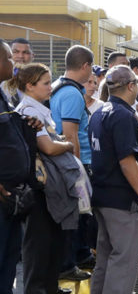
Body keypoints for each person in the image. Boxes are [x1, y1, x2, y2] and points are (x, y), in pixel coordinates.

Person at [9, 63, 75, 294]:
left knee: (52, 241)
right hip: (38, 188)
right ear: (30, 86)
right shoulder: (29, 110)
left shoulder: (38, 108)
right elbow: (47, 147)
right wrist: (68, 144)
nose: (50, 87)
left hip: (47, 187)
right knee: (39, 244)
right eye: (46, 83)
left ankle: (50, 287)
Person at [89, 65, 138, 294]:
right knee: (123, 263)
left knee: (105, 259)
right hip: (122, 200)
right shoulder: (123, 116)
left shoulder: (99, 113)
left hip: (102, 196)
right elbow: (127, 162)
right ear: (131, 86)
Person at [0, 39, 41, 294]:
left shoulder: (4, 94)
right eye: (7, 58)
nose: (12, 62)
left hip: (12, 198)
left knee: (8, 262)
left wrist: (29, 127)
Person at [50, 45, 94, 281]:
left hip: (67, 161)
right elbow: (70, 134)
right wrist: (77, 170)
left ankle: (81, 254)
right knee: (75, 214)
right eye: (91, 70)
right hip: (74, 163)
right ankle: (68, 264)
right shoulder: (71, 93)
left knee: (81, 214)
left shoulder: (60, 87)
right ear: (85, 66)